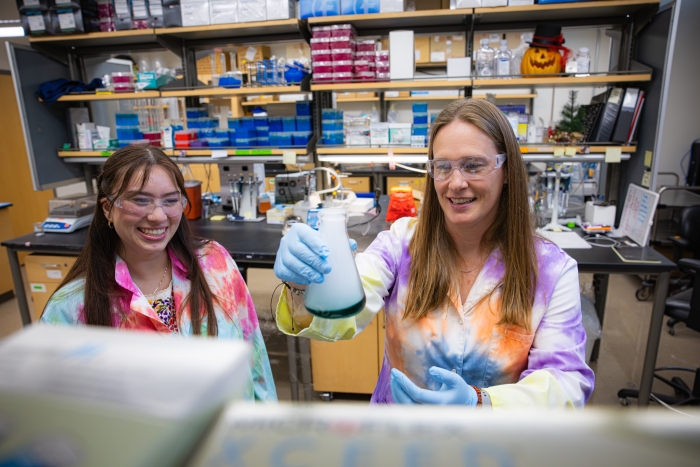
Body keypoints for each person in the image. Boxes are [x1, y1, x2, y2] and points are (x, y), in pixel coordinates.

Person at [273, 99, 594, 408]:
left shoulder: (551, 271)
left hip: (491, 446)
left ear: (506, 170)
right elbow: (340, 316)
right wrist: (305, 284)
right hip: (399, 441)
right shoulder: (401, 244)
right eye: (443, 167)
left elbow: (566, 383)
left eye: (473, 165)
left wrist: (480, 402)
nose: (456, 183)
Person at [42, 146, 276, 403]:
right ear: (108, 208)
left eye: (170, 200)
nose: (158, 216)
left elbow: (254, 357)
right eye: (140, 200)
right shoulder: (71, 307)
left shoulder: (214, 263)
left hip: (231, 436)